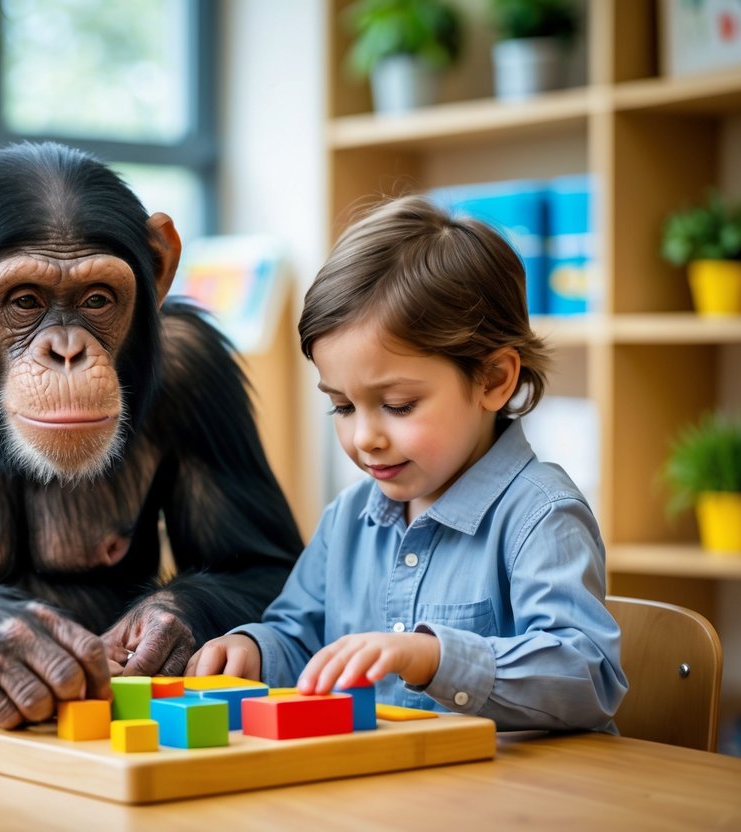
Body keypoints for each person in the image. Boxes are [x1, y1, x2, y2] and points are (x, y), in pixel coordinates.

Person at [186, 194, 628, 731]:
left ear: (493, 380)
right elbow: (300, 637)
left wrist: (433, 658)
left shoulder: (540, 516)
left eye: (398, 406)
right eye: (342, 406)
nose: (364, 437)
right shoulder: (349, 517)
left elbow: (587, 675)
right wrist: (252, 652)